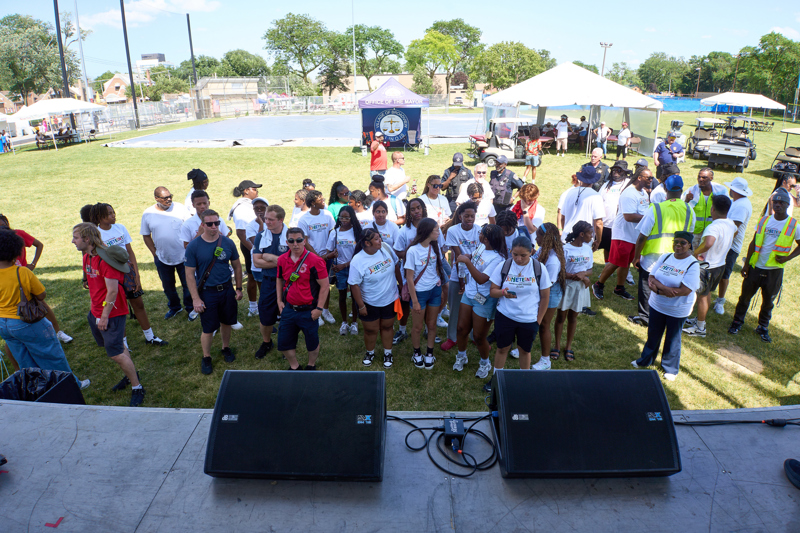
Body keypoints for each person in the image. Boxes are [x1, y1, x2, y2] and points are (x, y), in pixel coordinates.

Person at [0, 230, 88, 389]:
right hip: (26, 322)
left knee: (25, 362)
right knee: (52, 356)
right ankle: (71, 386)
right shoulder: (22, 272)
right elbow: (41, 295)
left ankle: (39, 390)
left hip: (4, 326)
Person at [72, 223, 144, 406]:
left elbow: (112, 292)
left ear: (87, 239)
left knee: (115, 353)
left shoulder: (105, 261)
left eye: (76, 237)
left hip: (111, 313)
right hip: (96, 310)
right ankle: (130, 374)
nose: (73, 241)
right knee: (117, 347)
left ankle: (137, 386)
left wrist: (104, 316)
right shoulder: (87, 257)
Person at [729, 188, 800, 343]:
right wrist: (746, 264)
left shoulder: (794, 225)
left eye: (781, 203)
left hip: (774, 270)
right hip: (756, 267)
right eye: (775, 202)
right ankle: (737, 322)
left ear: (787, 205)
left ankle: (762, 327)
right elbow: (754, 242)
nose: (778, 205)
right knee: (744, 297)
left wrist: (787, 258)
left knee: (768, 301)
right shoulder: (764, 220)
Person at [91, 203, 167, 347]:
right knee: (118, 310)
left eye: (113, 212)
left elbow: (130, 252)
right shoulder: (96, 235)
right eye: (109, 213)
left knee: (138, 304)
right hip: (111, 275)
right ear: (99, 217)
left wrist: (136, 274)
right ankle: (124, 345)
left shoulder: (120, 228)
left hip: (128, 272)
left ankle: (150, 336)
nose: (113, 215)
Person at [631, 231, 701, 381]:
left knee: (672, 338)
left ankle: (670, 369)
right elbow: (651, 276)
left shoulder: (693, 264)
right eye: (676, 242)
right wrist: (664, 290)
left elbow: (685, 290)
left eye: (683, 243)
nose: (678, 245)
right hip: (657, 304)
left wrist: (659, 289)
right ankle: (645, 360)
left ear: (689, 245)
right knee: (653, 334)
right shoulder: (666, 257)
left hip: (677, 309)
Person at [485, 235, 550, 389]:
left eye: (523, 255)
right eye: (515, 254)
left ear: (531, 252)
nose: (518, 259)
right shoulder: (504, 266)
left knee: (524, 350)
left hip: (529, 319)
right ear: (510, 251)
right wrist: (503, 293)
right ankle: (496, 380)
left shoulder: (539, 268)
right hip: (505, 315)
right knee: (502, 348)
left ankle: (524, 381)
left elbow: (545, 297)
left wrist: (538, 321)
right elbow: (492, 291)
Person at [631, 175, 695, 327]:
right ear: (681, 189)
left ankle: (646, 317)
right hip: (676, 257)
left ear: (665, 188)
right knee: (670, 284)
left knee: (647, 285)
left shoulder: (656, 208)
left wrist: (636, 257)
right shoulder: (689, 210)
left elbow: (642, 236)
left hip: (653, 257)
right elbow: (690, 235)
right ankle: (666, 314)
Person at [185, 209, 243, 375]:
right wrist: (196, 299)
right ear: (202, 225)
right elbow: (189, 274)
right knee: (209, 328)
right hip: (207, 292)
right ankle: (206, 356)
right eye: (209, 224)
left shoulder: (228, 243)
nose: (214, 227)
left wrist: (238, 288)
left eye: (216, 223)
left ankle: (226, 347)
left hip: (226, 289)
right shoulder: (194, 246)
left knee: (227, 322)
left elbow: (237, 266)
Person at [0, 215, 73, 343]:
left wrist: (33, 264)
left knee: (41, 304)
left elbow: (39, 244)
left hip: (23, 278)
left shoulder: (18, 235)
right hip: (8, 286)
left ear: (7, 223)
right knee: (13, 337)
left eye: (3, 225)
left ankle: (57, 332)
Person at [455, 224, 507, 376]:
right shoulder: (482, 247)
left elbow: (482, 279)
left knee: (478, 336)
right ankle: (461, 356)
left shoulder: (498, 258)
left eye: (481, 233)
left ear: (487, 238)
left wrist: (467, 262)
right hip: (469, 294)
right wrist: (468, 257)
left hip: (485, 300)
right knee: (461, 329)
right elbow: (473, 256)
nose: (479, 235)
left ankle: (485, 363)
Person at [593, 167, 651, 301]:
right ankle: (598, 284)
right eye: (649, 178)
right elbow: (629, 216)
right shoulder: (629, 193)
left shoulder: (643, 192)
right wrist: (649, 218)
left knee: (625, 263)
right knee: (615, 262)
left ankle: (619, 288)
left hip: (634, 234)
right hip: (623, 234)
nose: (651, 180)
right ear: (639, 178)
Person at [276, 227, 330, 370]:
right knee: (284, 342)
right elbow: (279, 279)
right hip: (289, 309)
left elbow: (325, 286)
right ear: (287, 242)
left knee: (312, 342)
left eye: (299, 240)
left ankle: (311, 365)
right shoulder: (282, 259)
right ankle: (294, 366)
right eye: (291, 241)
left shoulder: (316, 261)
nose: (295, 244)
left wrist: (319, 309)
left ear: (304, 241)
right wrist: (279, 301)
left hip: (309, 310)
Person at [682, 196, 735, 337]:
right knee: (707, 293)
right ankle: (700, 319)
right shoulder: (731, 223)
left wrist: (695, 252)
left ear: (713, 209)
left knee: (702, 296)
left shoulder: (713, 227)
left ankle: (700, 328)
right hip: (720, 264)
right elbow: (734, 233)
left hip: (707, 266)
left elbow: (708, 243)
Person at [349, 228, 401, 369]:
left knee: (387, 326)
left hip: (390, 299)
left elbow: (396, 265)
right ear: (367, 243)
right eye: (376, 239)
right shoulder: (357, 261)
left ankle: (388, 353)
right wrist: (361, 306)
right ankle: (370, 353)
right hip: (370, 302)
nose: (380, 241)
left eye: (379, 237)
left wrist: (402, 286)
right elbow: (354, 285)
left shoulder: (385, 248)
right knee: (370, 330)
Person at [140, 186, 191, 319]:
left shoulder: (180, 208)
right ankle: (175, 307)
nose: (169, 199)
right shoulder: (148, 213)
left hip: (184, 255)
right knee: (168, 286)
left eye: (170, 196)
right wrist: (154, 253)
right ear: (156, 198)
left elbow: (190, 228)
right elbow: (146, 235)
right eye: (165, 198)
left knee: (188, 284)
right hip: (162, 257)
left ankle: (190, 307)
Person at [405, 218, 445, 370]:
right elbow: (409, 278)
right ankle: (416, 353)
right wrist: (415, 301)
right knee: (417, 327)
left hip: (434, 290)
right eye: (436, 230)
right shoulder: (413, 251)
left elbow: (437, 266)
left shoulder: (434, 246)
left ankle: (429, 353)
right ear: (428, 231)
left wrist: (438, 283)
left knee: (432, 324)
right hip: (419, 293)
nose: (438, 232)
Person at [441, 201, 481, 352]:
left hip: (476, 276)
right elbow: (459, 258)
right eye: (466, 216)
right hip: (457, 276)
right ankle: (452, 337)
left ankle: (475, 336)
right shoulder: (453, 231)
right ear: (460, 216)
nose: (470, 219)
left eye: (472, 216)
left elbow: (480, 253)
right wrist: (462, 282)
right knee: (455, 308)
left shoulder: (479, 230)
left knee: (476, 307)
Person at [554, 222, 594, 361]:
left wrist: (584, 275)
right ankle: (557, 345)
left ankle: (568, 346)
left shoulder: (588, 249)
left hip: (579, 288)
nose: (592, 236)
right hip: (566, 286)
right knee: (561, 317)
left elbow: (590, 270)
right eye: (590, 233)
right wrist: (576, 276)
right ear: (581, 234)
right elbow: (559, 271)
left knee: (573, 317)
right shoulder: (565, 249)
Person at [252, 205, 288, 359]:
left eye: (271, 219)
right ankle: (267, 342)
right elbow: (257, 262)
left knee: (288, 315)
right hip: (269, 281)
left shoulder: (291, 235)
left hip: (288, 282)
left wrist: (269, 257)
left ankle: (287, 345)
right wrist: (280, 261)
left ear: (281, 220)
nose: (266, 221)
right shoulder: (261, 236)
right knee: (266, 316)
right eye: (266, 218)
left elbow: (294, 263)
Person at [715, 177, 753, 315]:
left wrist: (723, 243)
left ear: (735, 190)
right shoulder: (738, 202)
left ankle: (720, 301)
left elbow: (735, 229)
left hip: (730, 246)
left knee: (724, 274)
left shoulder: (741, 206)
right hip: (727, 244)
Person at [297, 190, 336, 325]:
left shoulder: (327, 215)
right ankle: (315, 311)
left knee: (326, 284)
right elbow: (305, 241)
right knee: (314, 285)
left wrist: (327, 253)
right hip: (312, 257)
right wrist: (317, 256)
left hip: (327, 256)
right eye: (320, 199)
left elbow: (331, 234)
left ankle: (325, 310)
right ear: (313, 203)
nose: (323, 201)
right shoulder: (304, 219)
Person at [325, 206, 362, 336]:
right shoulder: (334, 233)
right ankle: (344, 322)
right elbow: (329, 251)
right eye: (341, 217)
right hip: (339, 269)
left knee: (355, 296)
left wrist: (345, 265)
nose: (344, 220)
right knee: (342, 295)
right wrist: (332, 256)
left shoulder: (357, 232)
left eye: (347, 217)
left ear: (352, 218)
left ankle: (354, 322)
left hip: (354, 268)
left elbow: (361, 254)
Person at [533, 223, 566, 369]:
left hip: (550, 293)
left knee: (544, 325)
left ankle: (546, 360)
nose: (536, 238)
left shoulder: (553, 261)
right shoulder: (543, 249)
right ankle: (524, 346)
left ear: (546, 238)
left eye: (538, 236)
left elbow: (547, 285)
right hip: (540, 290)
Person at [230, 180, 263, 317]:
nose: (257, 191)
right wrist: (254, 250)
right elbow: (241, 233)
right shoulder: (241, 208)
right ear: (246, 191)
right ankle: (253, 307)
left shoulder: (251, 204)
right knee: (252, 276)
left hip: (258, 245)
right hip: (250, 246)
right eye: (254, 189)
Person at [558, 165, 604, 250]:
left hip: (566, 237)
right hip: (584, 240)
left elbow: (562, 217)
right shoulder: (596, 196)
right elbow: (598, 224)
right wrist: (598, 241)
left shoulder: (569, 193)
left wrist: (564, 231)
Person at [683, 167, 729, 249]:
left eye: (704, 177)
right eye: (699, 177)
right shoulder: (691, 191)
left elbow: (726, 209)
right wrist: (686, 200)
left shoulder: (720, 191)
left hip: (712, 232)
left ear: (711, 178)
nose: (700, 179)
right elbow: (682, 209)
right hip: (695, 232)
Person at [596, 162, 629, 263]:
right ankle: (607, 265)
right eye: (614, 170)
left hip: (621, 225)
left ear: (624, 172)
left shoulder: (629, 184)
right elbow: (598, 200)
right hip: (606, 223)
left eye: (619, 170)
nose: (615, 172)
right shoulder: (606, 185)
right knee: (607, 246)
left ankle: (624, 270)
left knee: (620, 249)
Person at [245, 197, 270, 310]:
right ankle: (264, 311)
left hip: (272, 262)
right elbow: (258, 244)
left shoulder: (273, 222)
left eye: (262, 208)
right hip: (258, 264)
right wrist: (261, 225)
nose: (259, 210)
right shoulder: (250, 226)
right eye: (256, 208)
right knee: (263, 291)